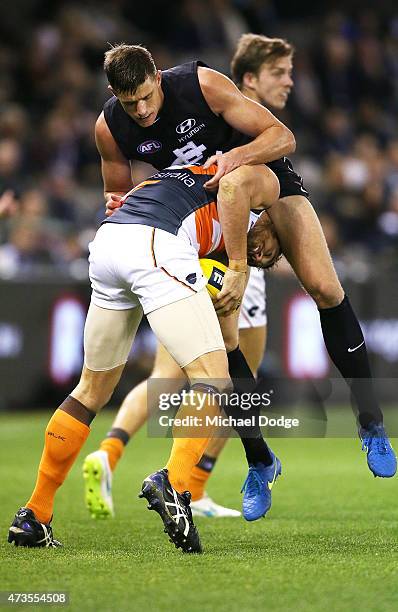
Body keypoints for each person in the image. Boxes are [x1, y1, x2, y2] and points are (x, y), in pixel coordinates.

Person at [8, 162, 281, 552]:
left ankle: (35, 514)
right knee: (212, 378)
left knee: (91, 388)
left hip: (110, 242)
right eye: (270, 246)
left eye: (264, 259)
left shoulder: (185, 171)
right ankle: (175, 483)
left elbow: (229, 336)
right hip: (155, 242)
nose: (258, 254)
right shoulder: (252, 192)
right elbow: (243, 179)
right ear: (270, 216)